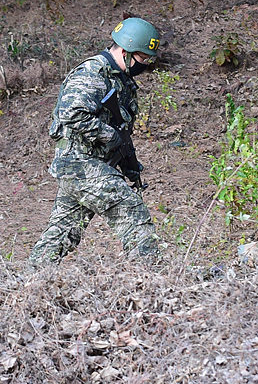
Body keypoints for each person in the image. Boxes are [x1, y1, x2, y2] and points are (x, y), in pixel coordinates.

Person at [30, 17, 161, 264]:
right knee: (132, 213)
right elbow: (70, 112)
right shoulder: (93, 73)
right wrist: (109, 136)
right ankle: (154, 279)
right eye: (143, 59)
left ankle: (29, 283)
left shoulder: (119, 78)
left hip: (88, 167)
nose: (145, 65)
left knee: (62, 233)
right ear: (125, 51)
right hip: (80, 165)